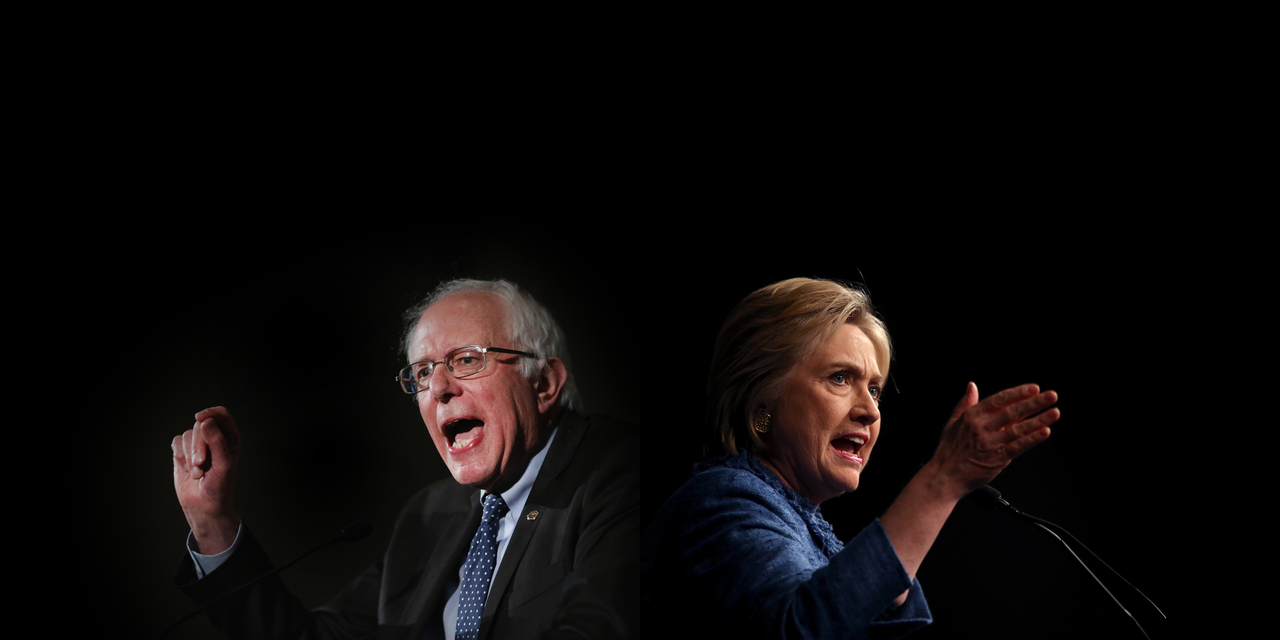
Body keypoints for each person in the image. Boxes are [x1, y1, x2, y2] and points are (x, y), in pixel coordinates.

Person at [171, 279, 642, 640]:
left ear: (543, 384)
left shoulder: (617, 470)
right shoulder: (430, 515)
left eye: (465, 360)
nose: (439, 388)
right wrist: (212, 520)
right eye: (422, 372)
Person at [641, 277, 1061, 639]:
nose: (871, 410)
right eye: (840, 378)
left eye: (875, 389)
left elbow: (857, 615)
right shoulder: (720, 502)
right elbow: (807, 628)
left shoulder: (792, 517)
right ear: (762, 402)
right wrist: (942, 481)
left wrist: (947, 490)